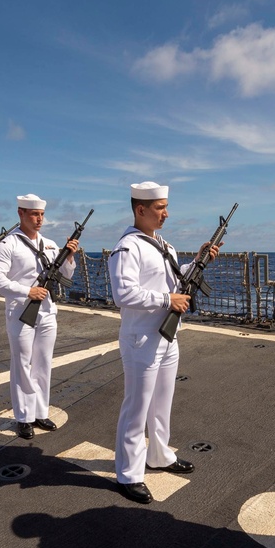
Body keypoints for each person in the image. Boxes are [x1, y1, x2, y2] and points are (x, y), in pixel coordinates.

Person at [107, 181, 217, 505]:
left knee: (161, 404)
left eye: (166, 206)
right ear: (141, 209)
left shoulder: (163, 245)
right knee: (136, 408)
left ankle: (160, 455)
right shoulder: (127, 247)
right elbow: (122, 293)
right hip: (141, 339)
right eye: (160, 208)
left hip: (167, 336)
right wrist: (166, 299)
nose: (166, 213)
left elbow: (176, 280)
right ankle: (128, 473)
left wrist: (198, 261)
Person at [0, 194, 79, 439]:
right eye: (33, 214)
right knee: (22, 364)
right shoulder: (9, 245)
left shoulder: (49, 244)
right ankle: (24, 417)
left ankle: (40, 411)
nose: (39, 219)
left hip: (47, 311)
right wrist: (27, 290)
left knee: (43, 363)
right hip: (21, 311)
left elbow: (65, 274)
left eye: (41, 215)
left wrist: (69, 255)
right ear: (21, 214)